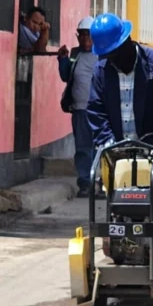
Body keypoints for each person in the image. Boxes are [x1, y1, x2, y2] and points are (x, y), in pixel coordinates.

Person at [86, 13, 153, 166]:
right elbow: (96, 111)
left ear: (127, 41)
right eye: (106, 56)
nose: (111, 60)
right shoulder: (101, 71)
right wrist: (107, 141)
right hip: (116, 155)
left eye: (114, 54)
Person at [58, 17, 98, 193]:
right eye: (81, 35)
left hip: (99, 111)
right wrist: (62, 60)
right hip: (80, 109)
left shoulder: (102, 55)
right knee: (82, 148)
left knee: (100, 147)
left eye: (88, 35)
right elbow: (66, 76)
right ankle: (85, 183)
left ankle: (101, 182)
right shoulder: (75, 54)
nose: (85, 39)